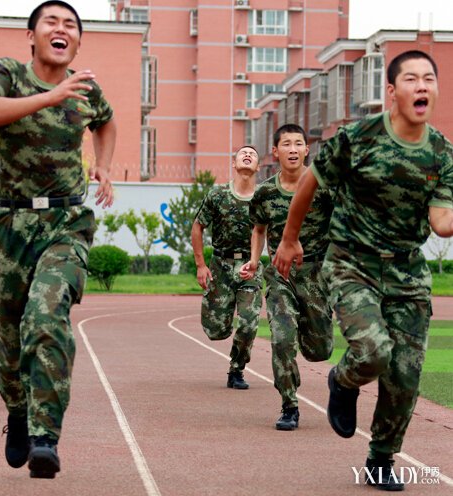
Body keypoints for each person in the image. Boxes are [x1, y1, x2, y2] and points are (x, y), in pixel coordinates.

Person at [275, 50, 453, 491]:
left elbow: (442, 223)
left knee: (406, 375)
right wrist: (289, 238)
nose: (422, 86)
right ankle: (343, 378)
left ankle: (380, 458)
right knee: (373, 350)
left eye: (429, 78)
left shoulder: (442, 153)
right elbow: (310, 183)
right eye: (411, 79)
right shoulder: (359, 138)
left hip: (408, 271)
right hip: (352, 262)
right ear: (392, 91)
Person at [0, 0, 117, 479]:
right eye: (51, 22)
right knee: (7, 342)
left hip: (65, 224)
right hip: (10, 227)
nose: (62, 29)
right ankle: (17, 408)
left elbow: (107, 121)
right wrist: (49, 98)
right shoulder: (6, 73)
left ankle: (45, 436)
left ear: (77, 41)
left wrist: (104, 164)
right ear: (31, 35)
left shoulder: (85, 88)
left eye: (71, 25)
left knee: (46, 316)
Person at [240, 124, 333, 430]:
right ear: (275, 152)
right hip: (281, 276)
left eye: (298, 144)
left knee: (320, 351)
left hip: (318, 276)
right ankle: (289, 404)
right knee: (282, 340)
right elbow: (258, 229)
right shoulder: (265, 192)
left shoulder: (324, 186)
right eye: (286, 144)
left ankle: (333, 373)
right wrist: (254, 261)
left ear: (307, 149)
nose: (292, 149)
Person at [191, 145, 263, 389]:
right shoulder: (218, 194)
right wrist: (201, 265)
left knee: (249, 322)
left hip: (250, 266)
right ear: (234, 164)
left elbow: (275, 233)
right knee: (216, 329)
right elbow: (197, 227)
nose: (247, 155)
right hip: (220, 265)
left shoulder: (264, 197)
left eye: (252, 154)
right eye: (242, 153)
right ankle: (219, 320)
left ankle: (236, 369)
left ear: (258, 166)